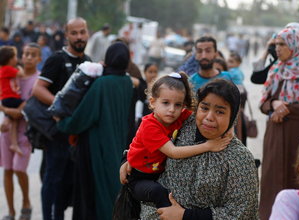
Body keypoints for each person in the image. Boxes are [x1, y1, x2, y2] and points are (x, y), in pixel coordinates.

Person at [121, 78, 259, 219]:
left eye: (220, 112)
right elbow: (149, 142)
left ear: (233, 116)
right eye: (204, 108)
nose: (209, 117)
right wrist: (128, 159)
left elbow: (241, 212)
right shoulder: (183, 126)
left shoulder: (239, 158)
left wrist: (185, 215)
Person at [56, 42, 133, 220]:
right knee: (112, 189)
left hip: (96, 146)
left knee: (94, 194)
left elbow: (83, 117)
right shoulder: (127, 82)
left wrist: (62, 123)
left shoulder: (102, 84)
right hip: (118, 145)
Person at [259, 27, 299, 220]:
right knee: (272, 176)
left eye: (283, 44)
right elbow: (263, 102)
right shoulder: (275, 69)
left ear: (295, 45)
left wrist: (291, 109)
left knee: (297, 173)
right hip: (275, 131)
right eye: (276, 44)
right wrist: (274, 104)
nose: (278, 48)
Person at [32, 17, 91, 220]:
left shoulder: (89, 63)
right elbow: (37, 89)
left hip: (78, 135)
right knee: (52, 180)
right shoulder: (57, 59)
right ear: (66, 35)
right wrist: (61, 107)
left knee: (69, 182)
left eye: (82, 32)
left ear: (88, 33)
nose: (79, 37)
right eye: (74, 33)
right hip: (57, 133)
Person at [0, 43, 41, 220]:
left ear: (39, 59)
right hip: (7, 131)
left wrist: (11, 113)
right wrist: (7, 112)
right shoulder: (10, 73)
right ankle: (11, 211)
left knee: (19, 168)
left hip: (26, 131)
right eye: (25, 53)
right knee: (8, 169)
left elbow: (30, 104)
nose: (28, 57)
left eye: (33, 54)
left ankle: (26, 201)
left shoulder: (39, 80)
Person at [0, 46, 25, 155]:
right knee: (27, 103)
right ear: (9, 59)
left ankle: (14, 143)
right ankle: (6, 121)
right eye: (15, 57)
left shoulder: (3, 69)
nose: (17, 58)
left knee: (14, 121)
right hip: (11, 98)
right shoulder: (8, 69)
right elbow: (21, 74)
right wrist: (20, 67)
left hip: (6, 99)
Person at [135, 63, 159, 128]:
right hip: (140, 115)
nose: (153, 74)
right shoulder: (141, 84)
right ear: (145, 72)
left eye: (155, 72)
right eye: (150, 72)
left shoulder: (159, 87)